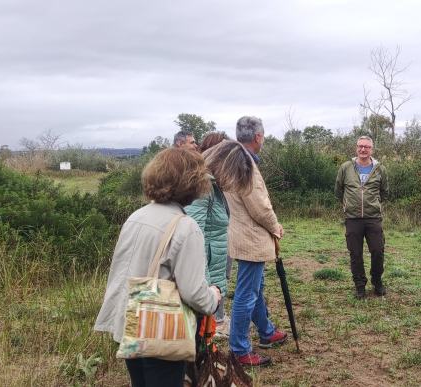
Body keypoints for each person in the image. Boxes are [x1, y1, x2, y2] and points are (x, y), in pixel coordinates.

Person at [94, 148, 222, 387]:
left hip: (130, 323)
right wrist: (214, 296)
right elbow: (194, 293)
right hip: (161, 331)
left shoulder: (136, 216)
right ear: (192, 184)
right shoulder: (186, 227)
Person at [208, 117, 287, 367]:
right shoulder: (244, 163)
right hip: (251, 238)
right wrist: (276, 227)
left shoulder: (232, 157)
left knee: (255, 289)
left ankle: (266, 331)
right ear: (259, 137)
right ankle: (240, 350)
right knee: (247, 294)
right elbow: (260, 208)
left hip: (241, 235)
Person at [185, 131, 232, 337]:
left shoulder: (215, 184)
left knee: (205, 332)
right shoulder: (203, 185)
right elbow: (194, 234)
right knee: (199, 330)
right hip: (206, 271)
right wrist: (204, 281)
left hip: (215, 263)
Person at [335, 135, 389, 299]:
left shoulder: (380, 169)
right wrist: (348, 205)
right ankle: (359, 285)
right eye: (360, 146)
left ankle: (377, 282)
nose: (363, 149)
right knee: (355, 254)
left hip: (373, 218)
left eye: (366, 147)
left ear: (372, 149)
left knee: (378, 251)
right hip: (352, 218)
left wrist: (374, 205)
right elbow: (338, 191)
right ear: (356, 148)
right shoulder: (345, 167)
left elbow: (384, 192)